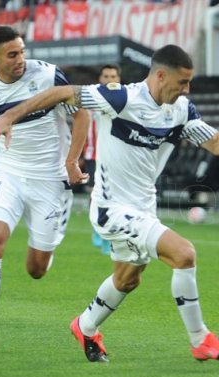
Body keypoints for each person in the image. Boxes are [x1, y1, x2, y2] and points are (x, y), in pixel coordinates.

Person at [0, 44, 219, 362]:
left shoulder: (181, 109)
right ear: (160, 75)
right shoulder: (121, 98)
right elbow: (62, 92)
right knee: (184, 254)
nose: (186, 89)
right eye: (182, 82)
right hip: (111, 208)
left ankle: (85, 326)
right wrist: (9, 115)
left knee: (127, 279)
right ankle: (201, 340)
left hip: (144, 207)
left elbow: (214, 141)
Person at [0, 26, 89, 354]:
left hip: (51, 181)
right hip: (7, 175)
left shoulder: (50, 75)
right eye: (12, 54)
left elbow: (82, 112)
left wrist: (72, 160)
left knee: (36, 269)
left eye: (22, 51)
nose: (21, 59)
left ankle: (46, 250)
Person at [85, 64, 122, 255]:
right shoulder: (91, 97)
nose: (109, 80)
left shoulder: (125, 100)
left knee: (113, 195)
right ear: (100, 78)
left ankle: (108, 232)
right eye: (106, 76)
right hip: (93, 154)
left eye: (113, 76)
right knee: (96, 193)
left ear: (118, 80)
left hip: (115, 155)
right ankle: (97, 229)